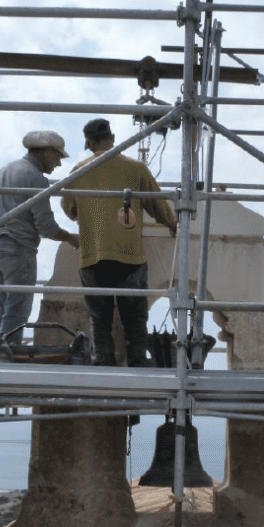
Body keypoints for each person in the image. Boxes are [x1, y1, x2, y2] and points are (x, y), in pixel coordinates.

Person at [61, 118, 177, 367]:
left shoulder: (78, 171)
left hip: (93, 256)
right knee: (135, 316)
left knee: (99, 317)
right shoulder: (136, 169)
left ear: (91, 143)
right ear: (112, 139)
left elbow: (69, 209)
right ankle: (136, 360)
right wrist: (173, 224)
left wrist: (89, 214)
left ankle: (103, 360)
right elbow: (157, 205)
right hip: (129, 256)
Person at [0, 130, 79, 361]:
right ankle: (7, 360)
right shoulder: (36, 178)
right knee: (17, 310)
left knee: (3, 307)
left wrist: (0, 231)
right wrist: (71, 238)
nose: (58, 163)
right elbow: (46, 227)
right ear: (46, 152)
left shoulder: (4, 171)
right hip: (19, 250)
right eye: (57, 156)